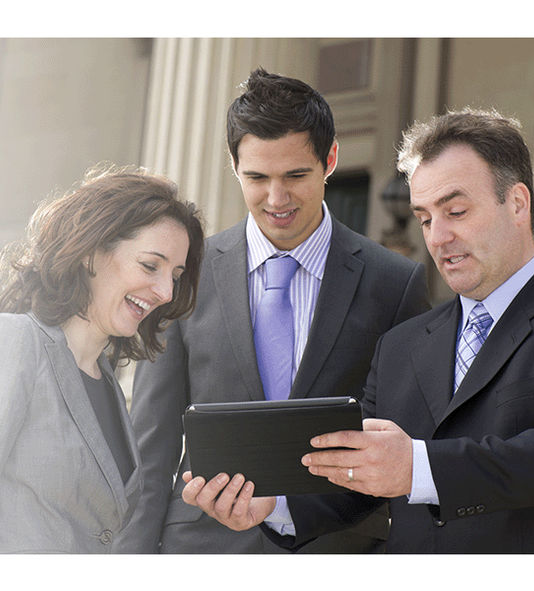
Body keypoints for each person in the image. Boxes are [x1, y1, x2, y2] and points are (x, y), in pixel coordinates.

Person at [181, 108, 534, 553]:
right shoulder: (401, 345)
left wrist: (418, 467)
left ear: (517, 203)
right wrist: (275, 506)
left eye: (456, 212)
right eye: (425, 218)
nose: (437, 237)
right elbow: (358, 473)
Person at [117, 67, 430, 554]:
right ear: (234, 165)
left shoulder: (395, 282)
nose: (276, 199)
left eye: (296, 176)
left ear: (330, 160)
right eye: (257, 177)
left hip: (337, 550)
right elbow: (151, 448)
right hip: (201, 551)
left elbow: (404, 443)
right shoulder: (185, 275)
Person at [0, 166, 206, 553]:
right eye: (150, 266)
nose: (166, 291)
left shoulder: (107, 385)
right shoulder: (11, 343)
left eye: (176, 275)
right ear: (90, 252)